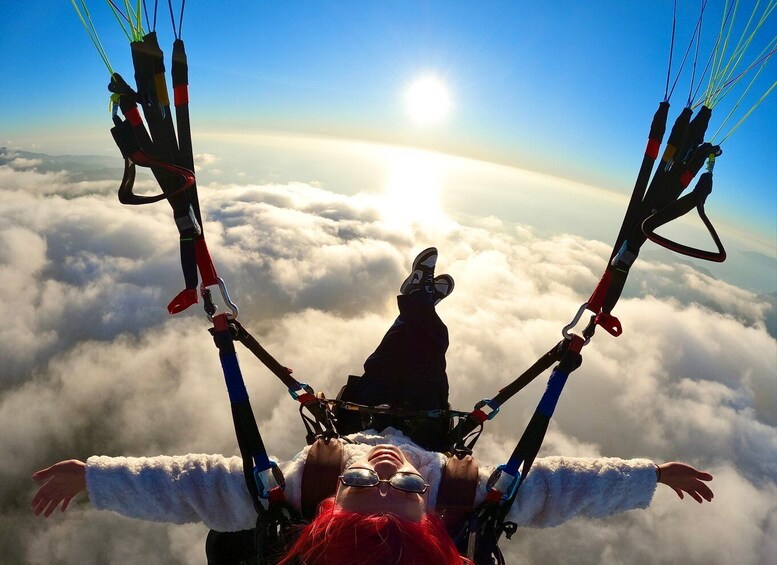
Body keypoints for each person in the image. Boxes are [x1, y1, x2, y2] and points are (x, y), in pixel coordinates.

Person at [31, 248, 715, 564]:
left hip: (349, 419)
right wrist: (647, 476)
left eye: (362, 485)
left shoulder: (294, 491)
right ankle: (421, 302)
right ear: (431, 512)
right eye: (404, 488)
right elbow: (561, 488)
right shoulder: (460, 495)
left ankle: (413, 298)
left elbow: (182, 485)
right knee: (427, 350)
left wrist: (92, 475)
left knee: (392, 355)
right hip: (427, 423)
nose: (385, 471)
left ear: (328, 507)